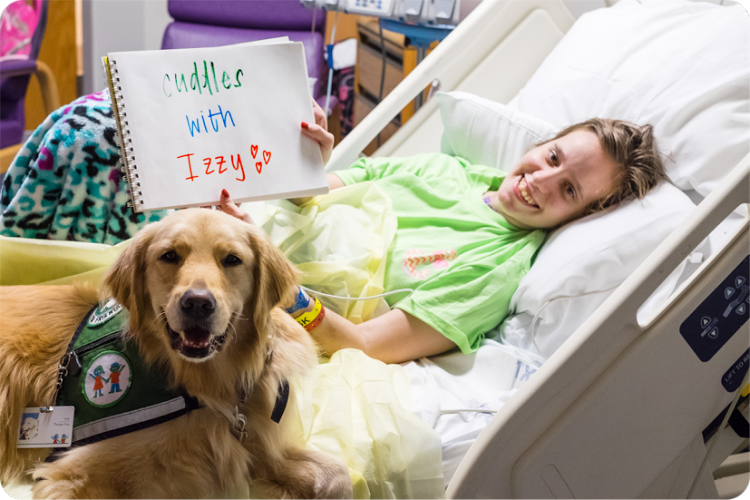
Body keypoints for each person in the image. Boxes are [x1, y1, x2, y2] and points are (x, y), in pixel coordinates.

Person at [219, 100, 666, 365]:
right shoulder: (443, 169)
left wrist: (277, 282)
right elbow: (311, 202)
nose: (541, 181)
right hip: (240, 240)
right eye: (552, 158)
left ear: (579, 217)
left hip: (270, 312)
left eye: (569, 189)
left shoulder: (496, 268)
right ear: (540, 145)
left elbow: (365, 344)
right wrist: (306, 168)